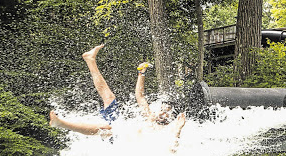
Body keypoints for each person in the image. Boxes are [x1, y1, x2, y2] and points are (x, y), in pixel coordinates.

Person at [49, 44, 186, 149]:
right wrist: (141, 74)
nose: (162, 112)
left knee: (108, 130)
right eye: (162, 109)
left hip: (120, 146)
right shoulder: (150, 117)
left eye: (166, 111)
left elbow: (172, 150)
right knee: (109, 98)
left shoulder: (167, 131)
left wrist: (178, 130)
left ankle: (62, 124)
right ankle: (90, 60)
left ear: (172, 117)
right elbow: (140, 96)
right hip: (119, 133)